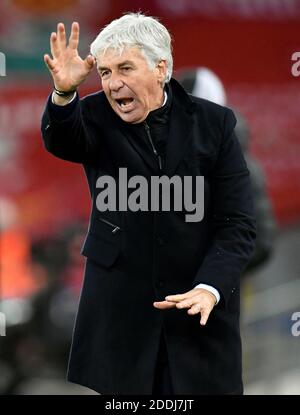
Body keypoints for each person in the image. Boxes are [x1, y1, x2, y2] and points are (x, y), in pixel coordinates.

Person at [41, 13, 256, 395]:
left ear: (161, 68)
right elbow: (62, 139)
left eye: (125, 68)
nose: (113, 83)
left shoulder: (215, 124)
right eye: (105, 72)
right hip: (121, 319)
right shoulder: (93, 116)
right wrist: (63, 95)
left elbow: (237, 223)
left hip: (197, 314)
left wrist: (210, 287)